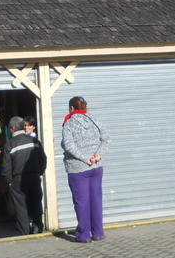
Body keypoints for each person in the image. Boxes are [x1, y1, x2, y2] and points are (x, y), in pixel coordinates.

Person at [61, 96, 110, 243]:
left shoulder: (69, 123)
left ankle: (83, 235)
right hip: (96, 167)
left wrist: (84, 158)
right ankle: (98, 232)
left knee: (82, 202)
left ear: (71, 108)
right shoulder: (94, 120)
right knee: (96, 200)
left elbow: (68, 145)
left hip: (78, 169)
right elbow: (106, 138)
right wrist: (98, 155)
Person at [1, 115, 47, 235]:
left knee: (20, 206)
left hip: (18, 179)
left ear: (12, 129)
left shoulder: (9, 144)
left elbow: (6, 167)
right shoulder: (35, 141)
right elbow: (43, 159)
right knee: (36, 202)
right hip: (35, 176)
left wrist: (9, 180)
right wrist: (39, 172)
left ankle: (25, 232)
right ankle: (38, 227)